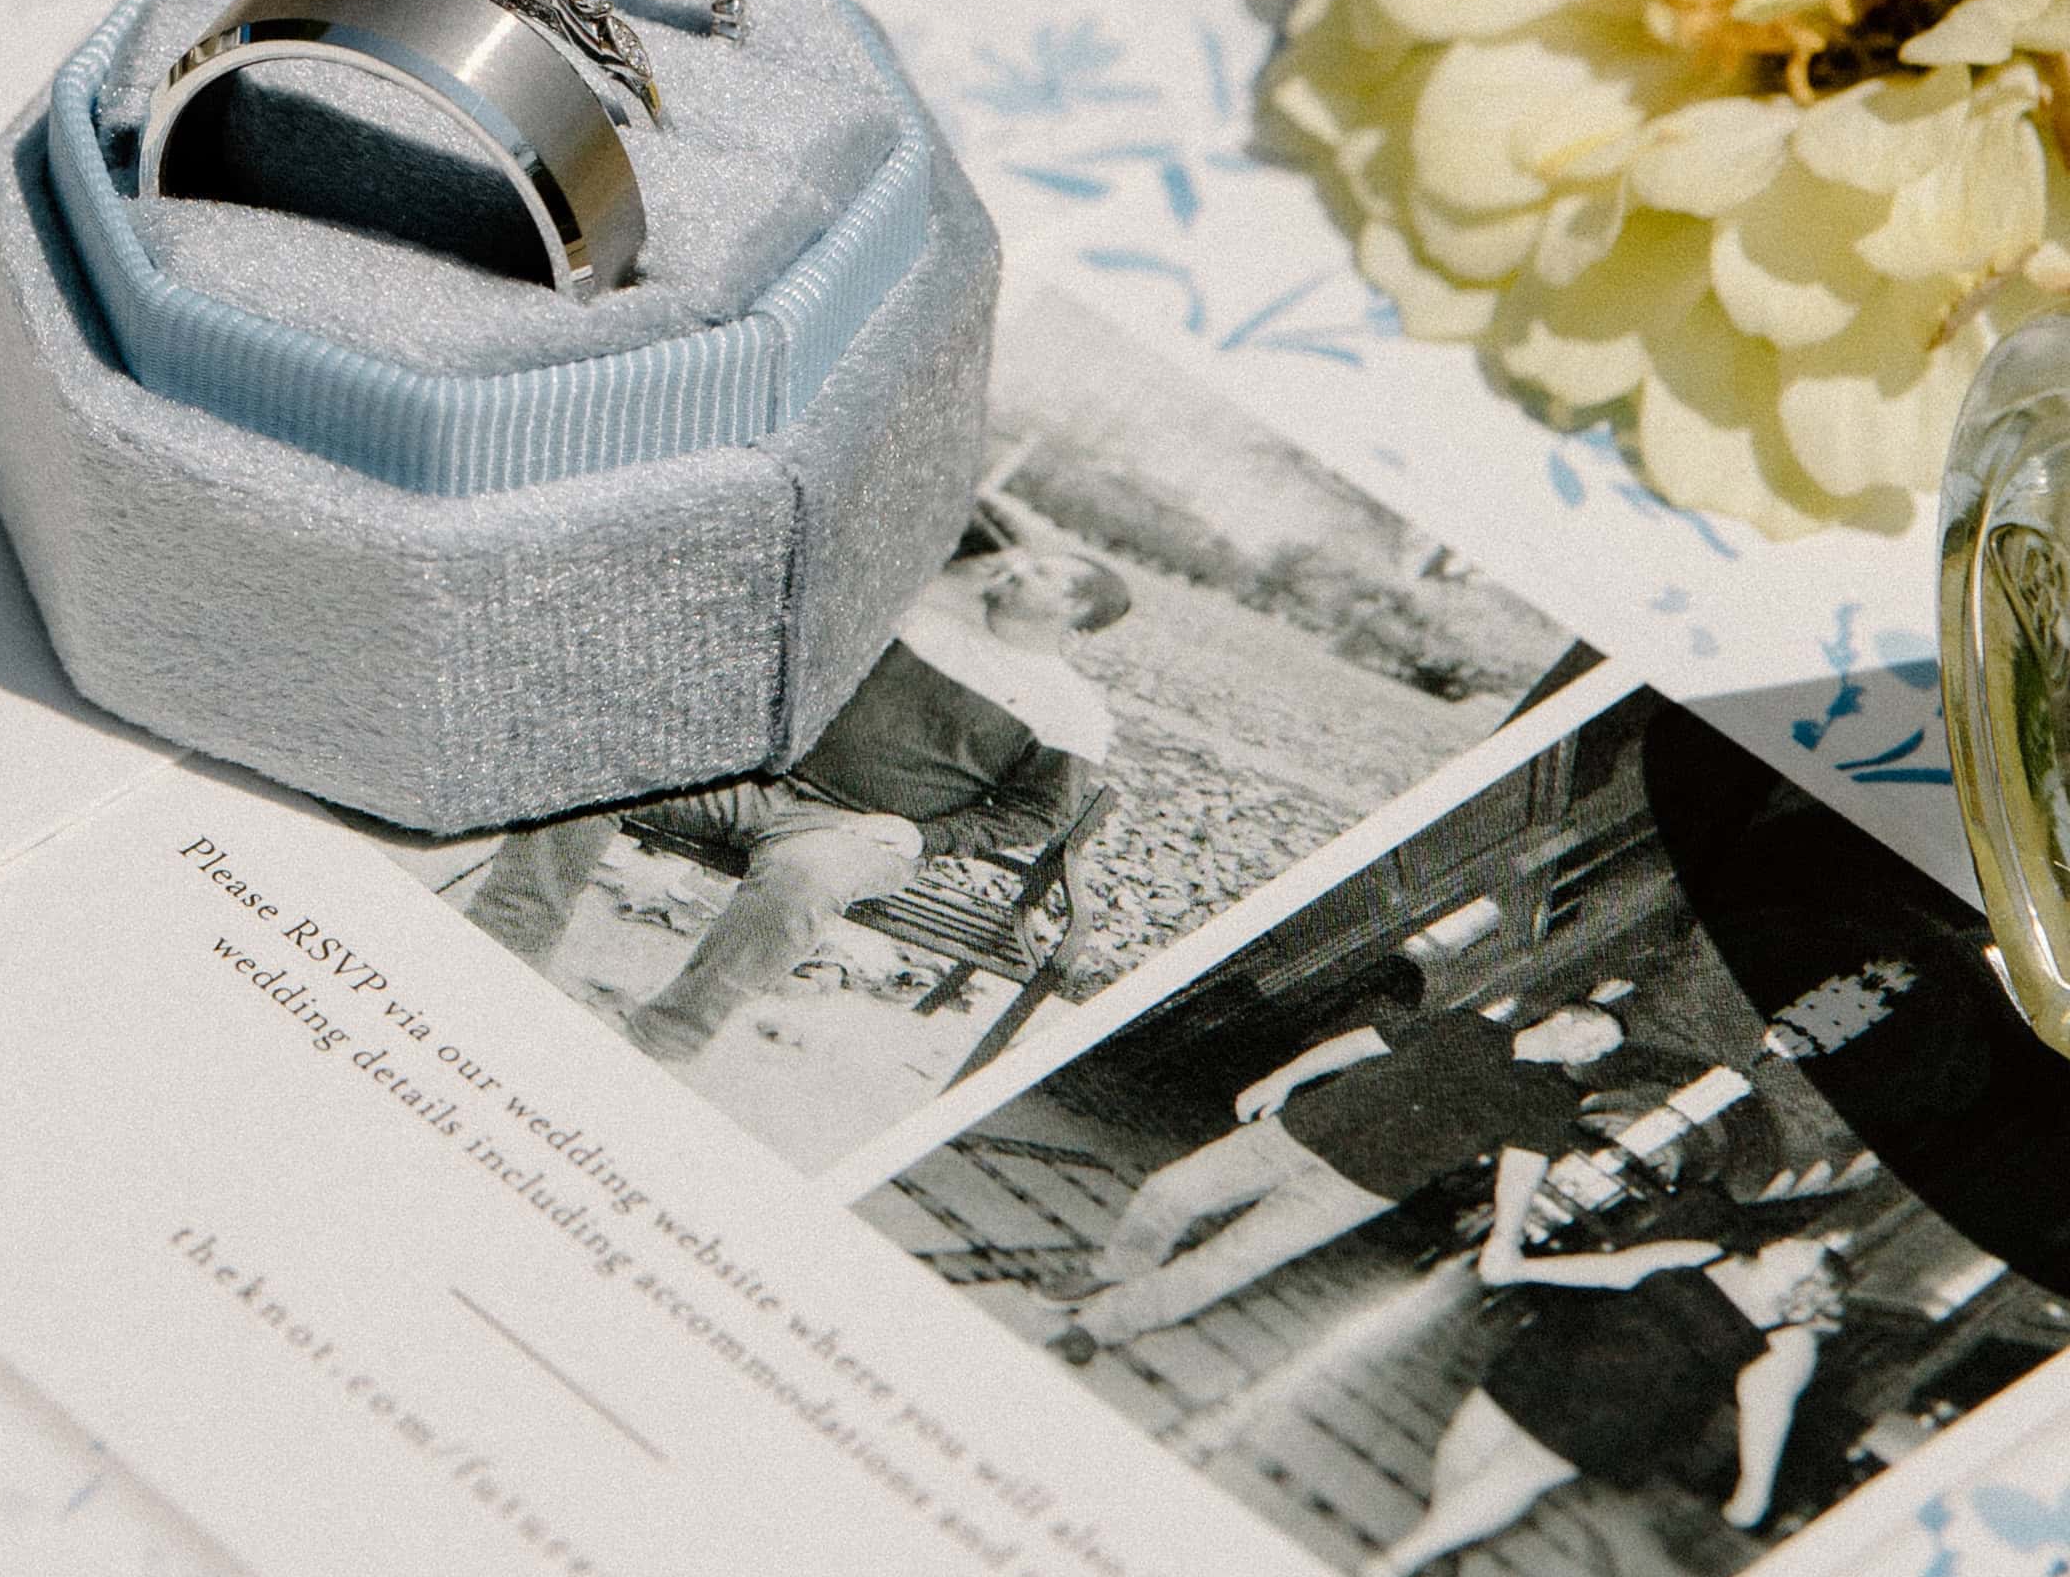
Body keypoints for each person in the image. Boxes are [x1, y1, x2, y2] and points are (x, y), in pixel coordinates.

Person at [468, 533, 1123, 1066]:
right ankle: (505, 947)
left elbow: (1036, 813)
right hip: (754, 783)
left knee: (806, 883)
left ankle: (663, 1040)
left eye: (1040, 572)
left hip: (853, 831)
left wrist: (928, 838)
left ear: (1077, 614)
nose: (1016, 568)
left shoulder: (1071, 711)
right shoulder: (918, 620)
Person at [1069, 991, 1632, 1349]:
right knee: (1172, 1190)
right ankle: (1117, 1265)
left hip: (1362, 1187)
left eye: (1601, 1049)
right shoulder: (1464, 1027)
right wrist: (1282, 1079)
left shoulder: (1550, 1099)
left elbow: (1522, 1168)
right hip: (1299, 1132)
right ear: (1563, 1016)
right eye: (1594, 1034)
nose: (1592, 1050)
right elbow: (1360, 1044)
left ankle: (1101, 1326)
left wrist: (1505, 1239)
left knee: (1234, 1260)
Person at [1362, 1226, 1851, 1577]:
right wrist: (1521, 1268)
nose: (1789, 1241)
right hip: (1561, 1355)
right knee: (1462, 1447)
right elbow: (1614, 1269)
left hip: (1625, 1409)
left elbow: (1768, 1413)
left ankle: (1404, 1557)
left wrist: (1754, 1490)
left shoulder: (1790, 1342)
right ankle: (1444, 1529)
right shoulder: (1706, 1254)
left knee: (1516, 1474)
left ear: (1811, 1284)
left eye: (1805, 1249)